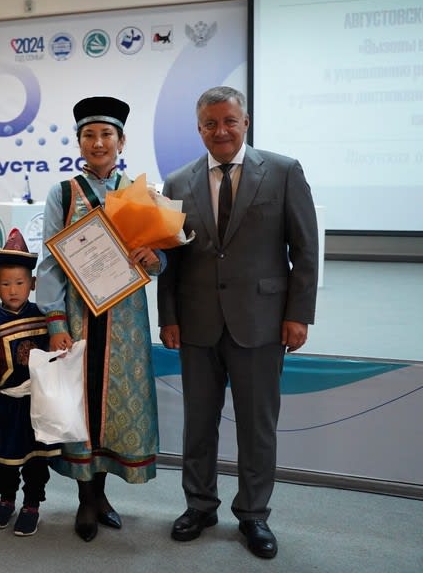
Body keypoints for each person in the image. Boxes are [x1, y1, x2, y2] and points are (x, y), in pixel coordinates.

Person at [158, 85, 318, 560]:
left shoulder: (284, 172)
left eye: (229, 121)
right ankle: (199, 506)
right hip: (196, 324)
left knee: (257, 426)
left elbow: (305, 250)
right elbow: (170, 259)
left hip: (262, 322)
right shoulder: (177, 182)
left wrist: (298, 314)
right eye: (210, 124)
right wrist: (168, 317)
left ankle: (253, 514)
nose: (221, 131)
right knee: (197, 424)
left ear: (245, 122)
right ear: (199, 129)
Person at [36, 96, 162, 543]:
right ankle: (86, 500)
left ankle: (103, 494)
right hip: (78, 315)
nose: (98, 142)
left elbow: (157, 256)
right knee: (81, 405)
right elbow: (50, 261)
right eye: (88, 134)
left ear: (121, 141)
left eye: (106, 134)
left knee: (114, 406)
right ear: (79, 142)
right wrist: (55, 321)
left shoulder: (140, 193)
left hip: (125, 319)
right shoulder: (64, 193)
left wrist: (155, 258)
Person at [0, 228, 60, 537]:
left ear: (33, 283)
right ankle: (6, 499)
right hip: (7, 403)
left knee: (37, 458)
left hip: (37, 402)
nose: (12, 290)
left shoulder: (44, 320)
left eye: (19, 283)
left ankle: (32, 504)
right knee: (7, 459)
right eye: (5, 284)